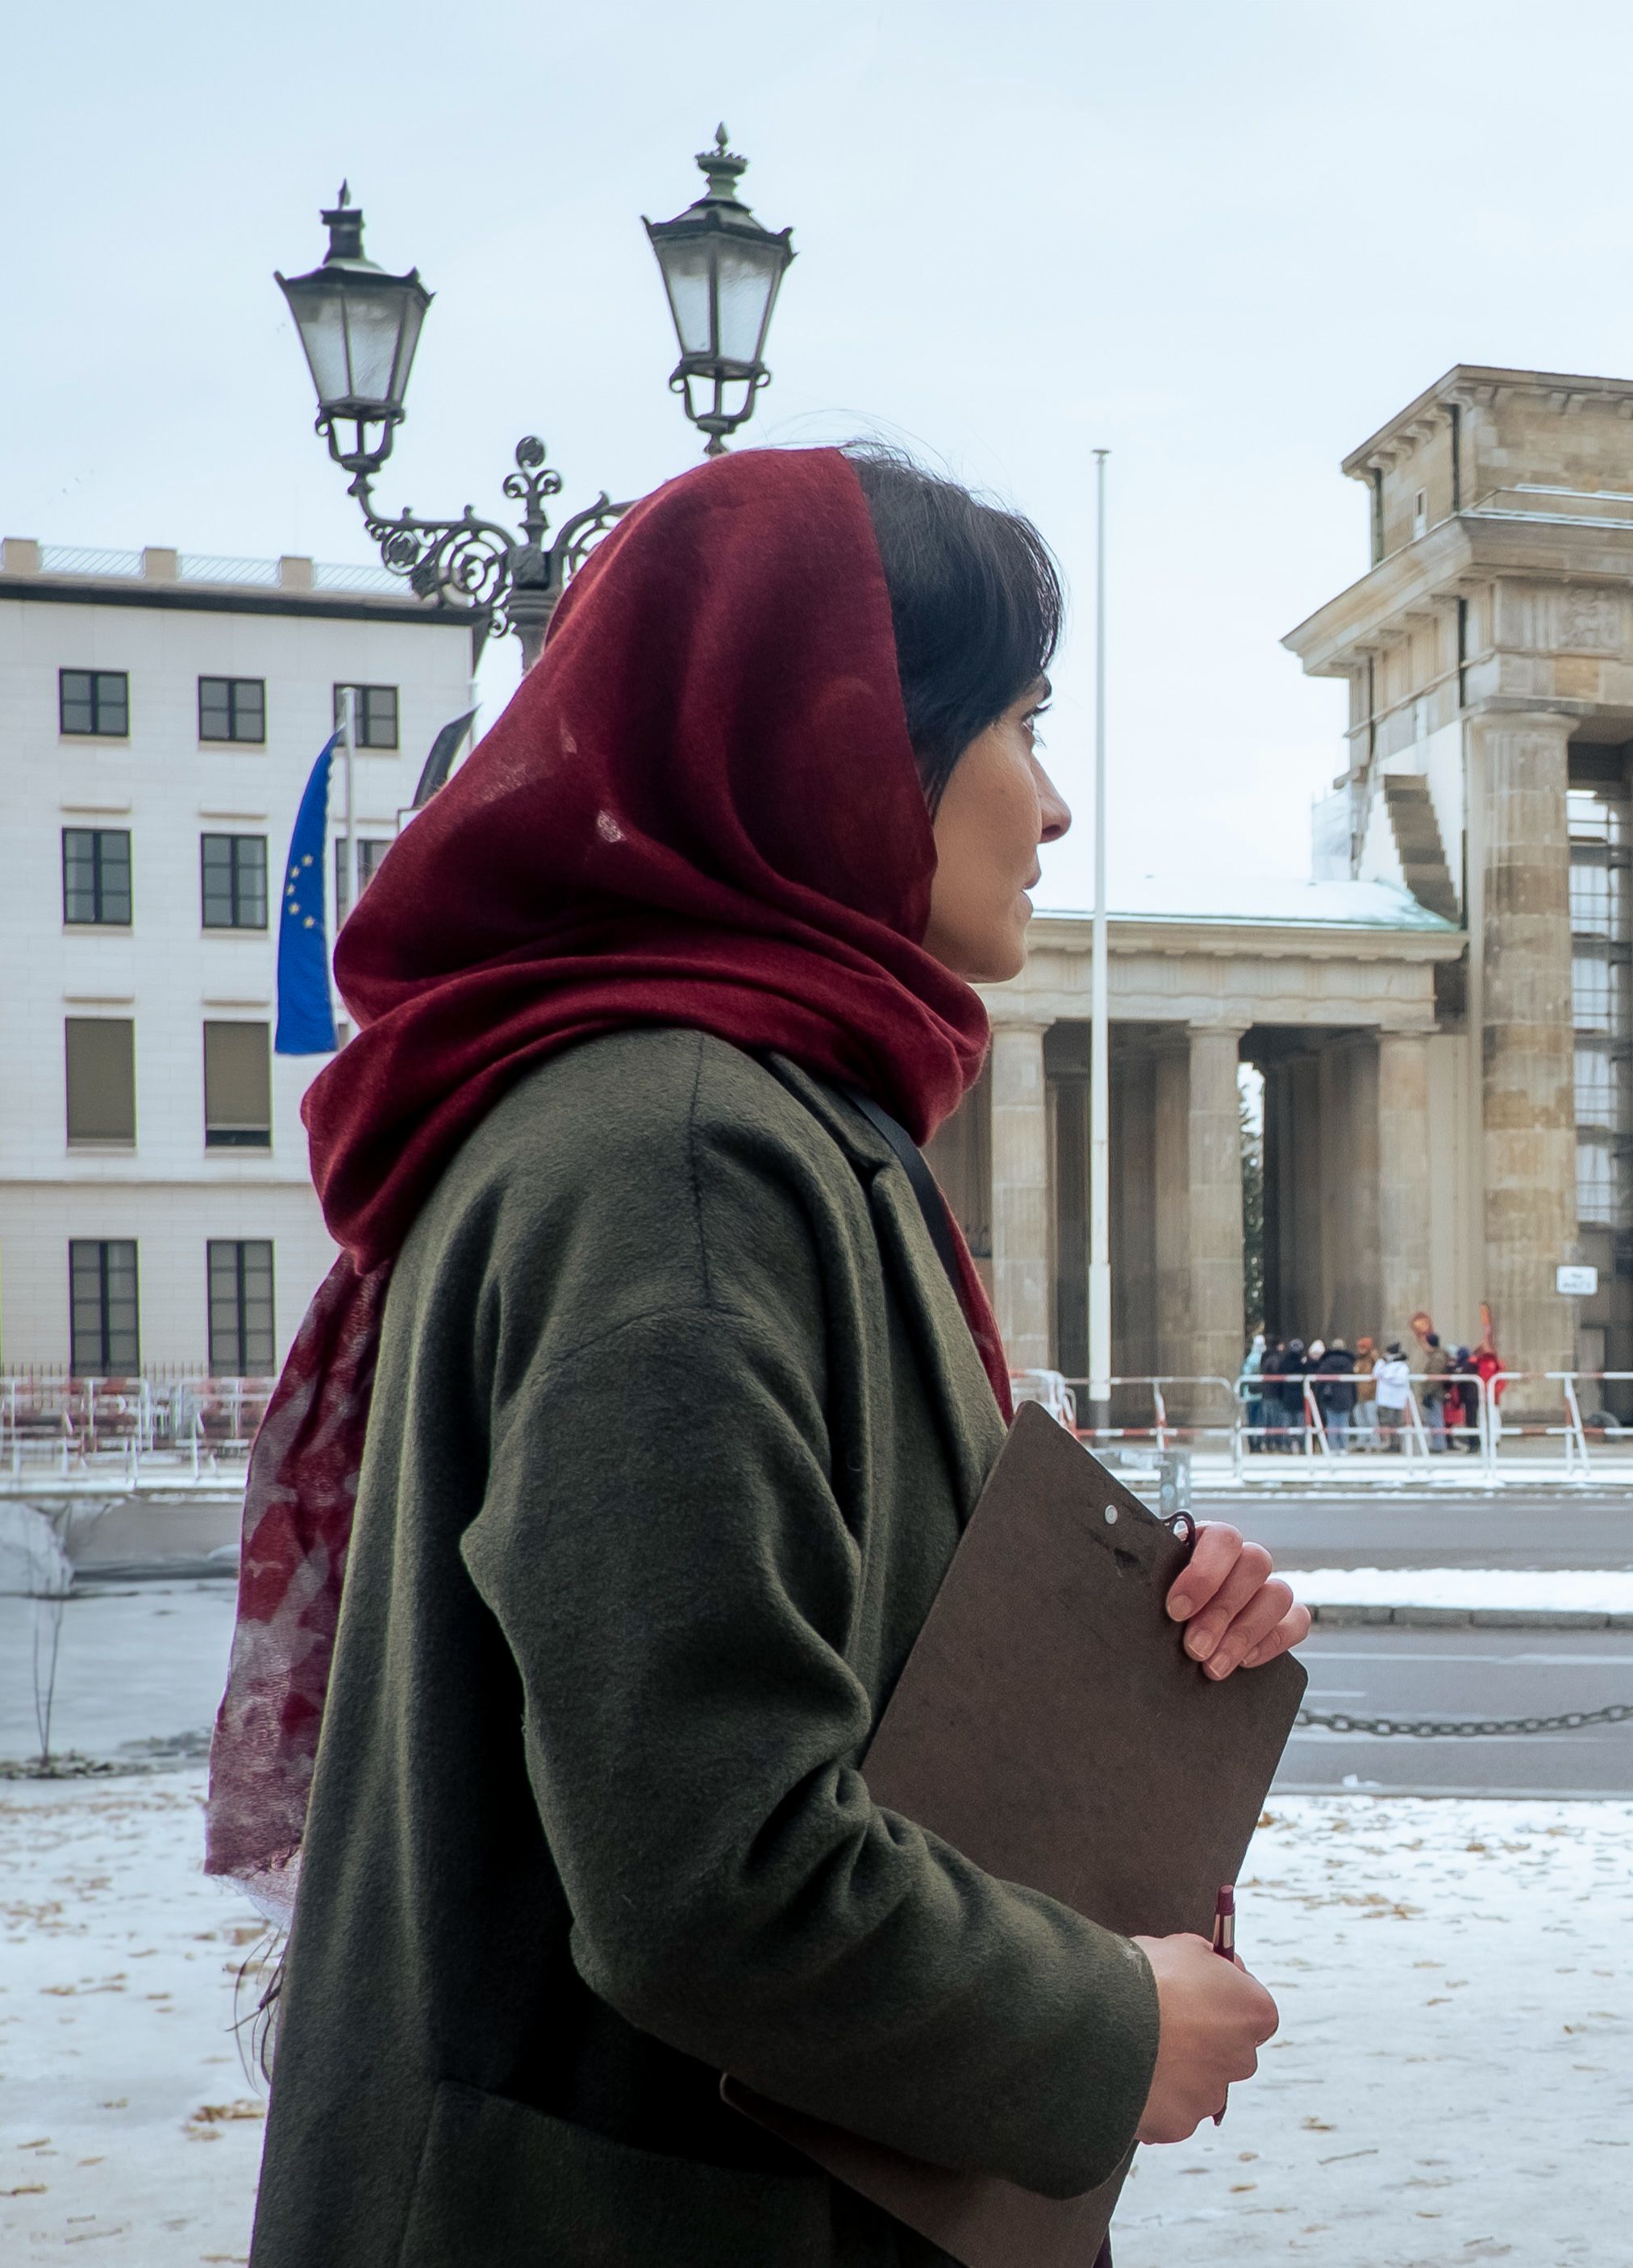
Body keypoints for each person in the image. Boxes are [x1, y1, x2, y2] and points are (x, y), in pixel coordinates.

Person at [213, 447, 1310, 2265]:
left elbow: (834, 1671)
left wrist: (1126, 1648)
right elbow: (707, 1872)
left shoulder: (748, 1116)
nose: (1051, 808)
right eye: (1022, 725)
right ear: (849, 741)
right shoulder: (682, 1155)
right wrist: (1105, 2024)